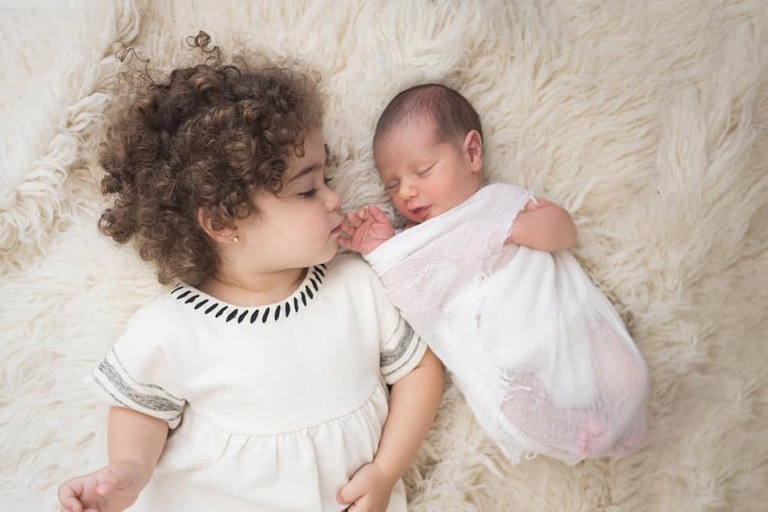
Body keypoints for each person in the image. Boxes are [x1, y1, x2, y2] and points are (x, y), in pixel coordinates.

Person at [57, 34, 444, 512]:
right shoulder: (175, 327)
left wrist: (386, 469)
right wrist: (129, 473)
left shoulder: (358, 287)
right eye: (307, 191)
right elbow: (140, 410)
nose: (334, 198)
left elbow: (421, 369)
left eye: (327, 179)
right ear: (223, 222)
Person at [339, 83, 650, 466]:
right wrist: (384, 247)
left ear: (471, 153)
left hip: (565, 327)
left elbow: (564, 230)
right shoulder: (416, 241)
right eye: (393, 184)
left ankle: (621, 418)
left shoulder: (499, 202)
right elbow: (417, 300)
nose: (407, 192)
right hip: (510, 367)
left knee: (626, 372)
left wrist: (509, 228)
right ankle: (577, 428)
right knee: (516, 408)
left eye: (422, 171)